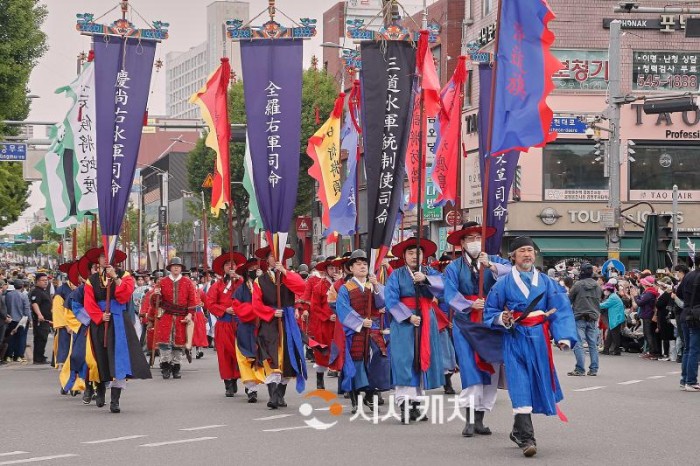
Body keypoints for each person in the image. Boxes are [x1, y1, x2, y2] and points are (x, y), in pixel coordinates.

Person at [484, 236, 577, 457]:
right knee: (519, 382)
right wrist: (501, 318)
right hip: (515, 337)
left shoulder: (547, 282)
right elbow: (490, 312)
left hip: (539, 338)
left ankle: (517, 430)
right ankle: (527, 438)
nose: (527, 254)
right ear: (513, 256)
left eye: (530, 250)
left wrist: (563, 336)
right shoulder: (503, 284)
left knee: (536, 382)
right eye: (522, 251)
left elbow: (561, 309)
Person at [443, 222, 511, 437]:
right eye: (469, 238)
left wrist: (491, 266)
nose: (474, 242)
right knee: (470, 368)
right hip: (466, 322)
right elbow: (449, 292)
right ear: (462, 243)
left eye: (477, 237)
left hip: (490, 320)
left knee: (491, 368)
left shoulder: (495, 260)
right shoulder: (453, 267)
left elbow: (511, 274)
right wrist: (468, 304)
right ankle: (469, 420)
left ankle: (481, 418)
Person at [83, 248, 151, 413]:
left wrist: (115, 277)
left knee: (118, 359)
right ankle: (99, 389)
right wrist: (99, 316)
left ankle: (115, 400)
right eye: (102, 257)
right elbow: (88, 302)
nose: (105, 260)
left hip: (119, 320)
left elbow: (125, 295)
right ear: (98, 260)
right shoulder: (91, 280)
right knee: (99, 357)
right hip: (99, 322)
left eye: (108, 257)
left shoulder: (124, 275)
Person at [384, 237, 444, 423]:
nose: (413, 257)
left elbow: (442, 288)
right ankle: (405, 405)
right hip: (403, 321)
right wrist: (408, 316)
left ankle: (417, 405)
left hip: (426, 317)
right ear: (404, 256)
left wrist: (425, 279)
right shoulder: (396, 275)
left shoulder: (430, 272)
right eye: (410, 253)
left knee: (421, 359)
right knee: (404, 360)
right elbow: (391, 299)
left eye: (417, 253)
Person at [252, 245, 307, 409]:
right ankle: (273, 396)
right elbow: (256, 304)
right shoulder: (259, 281)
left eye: (278, 256)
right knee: (272, 356)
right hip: (269, 322)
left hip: (288, 321)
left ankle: (280, 395)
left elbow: (301, 288)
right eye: (271, 256)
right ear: (266, 259)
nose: (275, 259)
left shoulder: (288, 277)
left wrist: (284, 271)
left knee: (288, 358)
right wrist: (270, 312)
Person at [335, 249, 389, 413]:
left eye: (365, 264)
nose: (362, 267)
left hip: (372, 329)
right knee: (356, 362)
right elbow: (342, 309)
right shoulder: (346, 288)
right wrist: (359, 322)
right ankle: (355, 398)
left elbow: (382, 304)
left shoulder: (374, 285)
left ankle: (371, 392)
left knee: (379, 356)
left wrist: (376, 286)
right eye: (358, 264)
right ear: (350, 268)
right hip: (355, 331)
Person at [149, 257, 199, 379]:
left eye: (178, 266)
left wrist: (190, 314)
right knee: (164, 343)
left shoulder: (188, 283)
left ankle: (176, 367)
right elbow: (156, 302)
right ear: (170, 268)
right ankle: (165, 366)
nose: (176, 267)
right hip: (166, 315)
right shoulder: (162, 282)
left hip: (181, 316)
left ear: (181, 268)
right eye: (174, 266)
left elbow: (192, 301)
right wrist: (156, 295)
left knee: (178, 344)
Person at [206, 252, 246, 397]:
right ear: (223, 268)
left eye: (233, 264)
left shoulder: (243, 283)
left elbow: (251, 298)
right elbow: (210, 303)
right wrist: (225, 310)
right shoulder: (217, 285)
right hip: (224, 324)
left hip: (241, 324)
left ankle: (246, 381)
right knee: (225, 354)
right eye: (228, 264)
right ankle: (228, 382)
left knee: (243, 352)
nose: (231, 267)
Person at [232, 258, 266, 403]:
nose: (254, 271)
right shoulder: (240, 290)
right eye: (251, 269)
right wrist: (255, 309)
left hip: (262, 326)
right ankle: (251, 388)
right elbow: (238, 308)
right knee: (246, 358)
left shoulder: (264, 286)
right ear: (246, 272)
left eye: (256, 268)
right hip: (246, 327)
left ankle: (258, 385)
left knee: (260, 356)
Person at [308, 256, 342, 390]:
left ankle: (341, 383)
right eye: (331, 268)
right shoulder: (319, 286)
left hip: (339, 323)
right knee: (323, 352)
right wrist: (328, 316)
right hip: (324, 324)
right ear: (326, 270)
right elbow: (315, 307)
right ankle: (320, 379)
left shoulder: (342, 285)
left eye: (335, 268)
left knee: (340, 351)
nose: (333, 270)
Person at [567, 263, 602, 376]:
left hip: (579, 316)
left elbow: (569, 299)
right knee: (593, 344)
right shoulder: (597, 286)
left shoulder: (578, 284)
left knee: (578, 343)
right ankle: (594, 369)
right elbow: (598, 301)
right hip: (592, 317)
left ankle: (580, 369)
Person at [676, 253, 700, 391]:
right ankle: (691, 381)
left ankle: (684, 380)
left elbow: (678, 293)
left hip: (685, 314)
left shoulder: (688, 276)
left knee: (688, 349)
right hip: (697, 316)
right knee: (694, 349)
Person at [632, 275, 660, 360]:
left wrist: (635, 296)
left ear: (645, 284)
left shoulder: (649, 293)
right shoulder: (649, 292)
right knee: (649, 334)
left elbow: (640, 303)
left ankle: (652, 352)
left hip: (647, 315)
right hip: (647, 314)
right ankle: (652, 351)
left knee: (648, 334)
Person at [5, 280, 31, 363]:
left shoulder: (8, 295)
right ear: (22, 286)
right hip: (21, 320)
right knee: (21, 338)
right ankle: (18, 356)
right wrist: (29, 319)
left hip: (10, 319)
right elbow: (26, 309)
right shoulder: (24, 296)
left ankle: (8, 356)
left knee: (10, 338)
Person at [29, 273, 53, 364]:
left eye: (46, 280)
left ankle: (41, 357)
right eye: (43, 280)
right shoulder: (36, 291)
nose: (45, 282)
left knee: (43, 339)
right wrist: (39, 315)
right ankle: (38, 359)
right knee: (40, 338)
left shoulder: (44, 291)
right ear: (37, 281)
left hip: (46, 320)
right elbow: (35, 303)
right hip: (41, 320)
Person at [600, 283, 625, 356]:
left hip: (616, 319)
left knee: (615, 335)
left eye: (605, 290)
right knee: (610, 336)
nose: (604, 291)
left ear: (608, 290)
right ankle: (606, 349)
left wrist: (594, 304)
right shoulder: (613, 296)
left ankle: (617, 350)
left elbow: (604, 305)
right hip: (615, 318)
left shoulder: (613, 297)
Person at [655, 277, 676, 361]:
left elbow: (658, 304)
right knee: (670, 336)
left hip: (665, 317)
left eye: (661, 285)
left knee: (666, 336)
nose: (660, 286)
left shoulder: (667, 294)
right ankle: (671, 354)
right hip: (668, 317)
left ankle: (666, 354)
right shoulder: (671, 293)